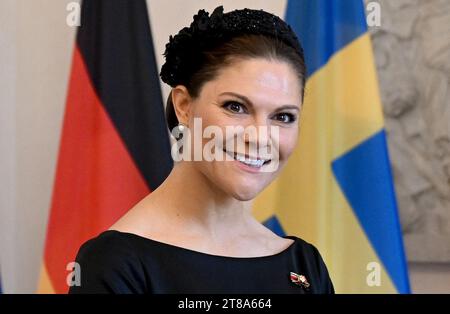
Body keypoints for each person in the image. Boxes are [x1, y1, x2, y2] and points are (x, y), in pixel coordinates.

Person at [69, 5, 334, 294]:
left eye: (283, 117)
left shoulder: (305, 266)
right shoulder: (114, 266)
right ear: (183, 105)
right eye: (236, 107)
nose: (260, 137)